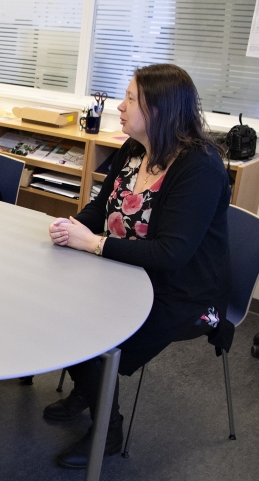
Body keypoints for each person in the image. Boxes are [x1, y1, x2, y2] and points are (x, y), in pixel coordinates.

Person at [45, 64, 231, 469]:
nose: (119, 106)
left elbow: (171, 255)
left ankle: (107, 432)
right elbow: (102, 206)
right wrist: (74, 226)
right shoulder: (134, 150)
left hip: (183, 291)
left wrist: (93, 243)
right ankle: (90, 389)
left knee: (91, 336)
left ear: (160, 111)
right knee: (55, 305)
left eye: (130, 100)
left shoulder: (199, 167)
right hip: (124, 270)